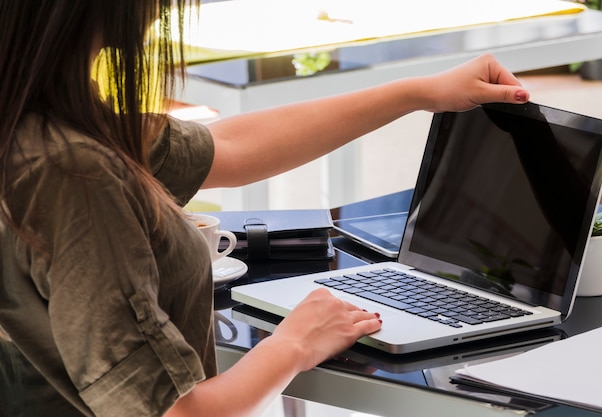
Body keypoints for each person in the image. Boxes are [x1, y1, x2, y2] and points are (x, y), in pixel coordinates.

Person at [0, 1, 530, 417]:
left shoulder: (40, 117)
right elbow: (179, 413)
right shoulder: (72, 171)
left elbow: (228, 150)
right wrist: (295, 342)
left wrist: (418, 93)